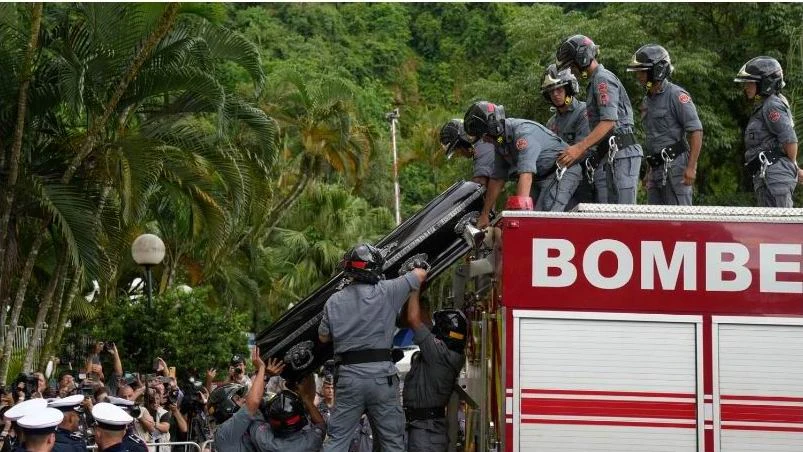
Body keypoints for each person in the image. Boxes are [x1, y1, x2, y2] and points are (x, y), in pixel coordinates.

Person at [318, 244, 428, 452]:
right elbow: (420, 274)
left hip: (349, 379)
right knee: (391, 443)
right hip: (381, 380)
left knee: (337, 441)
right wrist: (416, 270)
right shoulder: (388, 291)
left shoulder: (334, 301)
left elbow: (323, 337)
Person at [463, 101, 582, 228]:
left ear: (493, 127)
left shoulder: (523, 134)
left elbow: (526, 175)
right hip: (540, 177)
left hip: (562, 171)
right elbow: (497, 179)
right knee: (526, 218)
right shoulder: (500, 141)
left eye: (484, 135)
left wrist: (519, 219)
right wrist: (484, 214)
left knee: (543, 218)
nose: (484, 140)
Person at [555, 34, 644, 204]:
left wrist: (579, 148)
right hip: (609, 155)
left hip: (621, 155)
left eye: (571, 65)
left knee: (622, 217)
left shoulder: (602, 79)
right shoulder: (594, 81)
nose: (571, 70)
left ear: (581, 59)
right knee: (608, 217)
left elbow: (609, 122)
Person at [626, 44, 703, 206]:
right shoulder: (648, 100)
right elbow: (653, 139)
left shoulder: (676, 95)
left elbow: (696, 131)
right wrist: (649, 171)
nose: (638, 76)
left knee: (679, 221)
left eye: (642, 71)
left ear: (656, 70)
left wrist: (691, 167)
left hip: (676, 167)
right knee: (656, 222)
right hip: (655, 169)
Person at [733, 56, 802, 207]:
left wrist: (792, 167)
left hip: (776, 176)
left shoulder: (772, 105)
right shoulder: (763, 105)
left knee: (781, 227)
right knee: (769, 227)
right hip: (766, 175)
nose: (746, 87)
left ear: (765, 83)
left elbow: (790, 140)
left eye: (750, 82)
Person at [403, 291, 467, 452]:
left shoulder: (439, 353)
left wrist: (414, 285)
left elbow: (413, 320)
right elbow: (424, 323)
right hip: (426, 430)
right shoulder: (450, 352)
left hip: (425, 434)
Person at [540, 64, 607, 207]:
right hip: (562, 179)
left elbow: (583, 150)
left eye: (559, 89)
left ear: (569, 88)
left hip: (588, 178)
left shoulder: (584, 112)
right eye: (551, 91)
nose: (555, 94)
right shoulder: (551, 123)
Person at [213, 347, 284, 452]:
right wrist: (261, 368)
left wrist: (265, 375)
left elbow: (254, 399)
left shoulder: (252, 378)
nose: (244, 400)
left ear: (245, 365)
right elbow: (253, 402)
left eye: (240, 365)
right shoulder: (225, 431)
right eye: (238, 398)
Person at [249, 375, 326, 452]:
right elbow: (320, 423)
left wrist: (265, 376)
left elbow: (251, 407)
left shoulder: (265, 441)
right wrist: (306, 398)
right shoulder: (312, 441)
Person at [439, 119, 495, 187]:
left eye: (456, 149)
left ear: (463, 141)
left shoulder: (483, 147)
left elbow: (478, 185)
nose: (458, 155)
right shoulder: (482, 142)